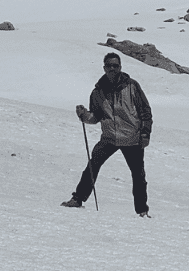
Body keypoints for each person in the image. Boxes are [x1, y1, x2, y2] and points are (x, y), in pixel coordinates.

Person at [61, 52, 153, 217]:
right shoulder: (97, 92)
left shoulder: (132, 86)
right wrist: (84, 116)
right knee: (92, 166)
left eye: (115, 66)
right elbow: (96, 117)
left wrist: (145, 134)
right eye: (109, 66)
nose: (112, 69)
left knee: (138, 175)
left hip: (132, 138)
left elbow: (145, 111)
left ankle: (142, 210)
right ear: (104, 68)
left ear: (120, 67)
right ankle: (78, 199)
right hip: (110, 137)